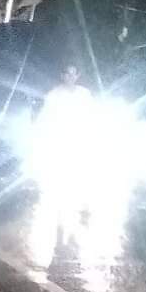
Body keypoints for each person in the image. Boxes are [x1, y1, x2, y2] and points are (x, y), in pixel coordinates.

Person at [27, 62, 96, 267]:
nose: (71, 77)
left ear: (78, 75)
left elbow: (91, 119)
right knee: (57, 194)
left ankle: (70, 233)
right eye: (67, 73)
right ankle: (60, 237)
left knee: (75, 193)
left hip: (78, 148)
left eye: (74, 74)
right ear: (62, 75)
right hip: (58, 148)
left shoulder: (85, 95)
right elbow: (43, 120)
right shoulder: (54, 95)